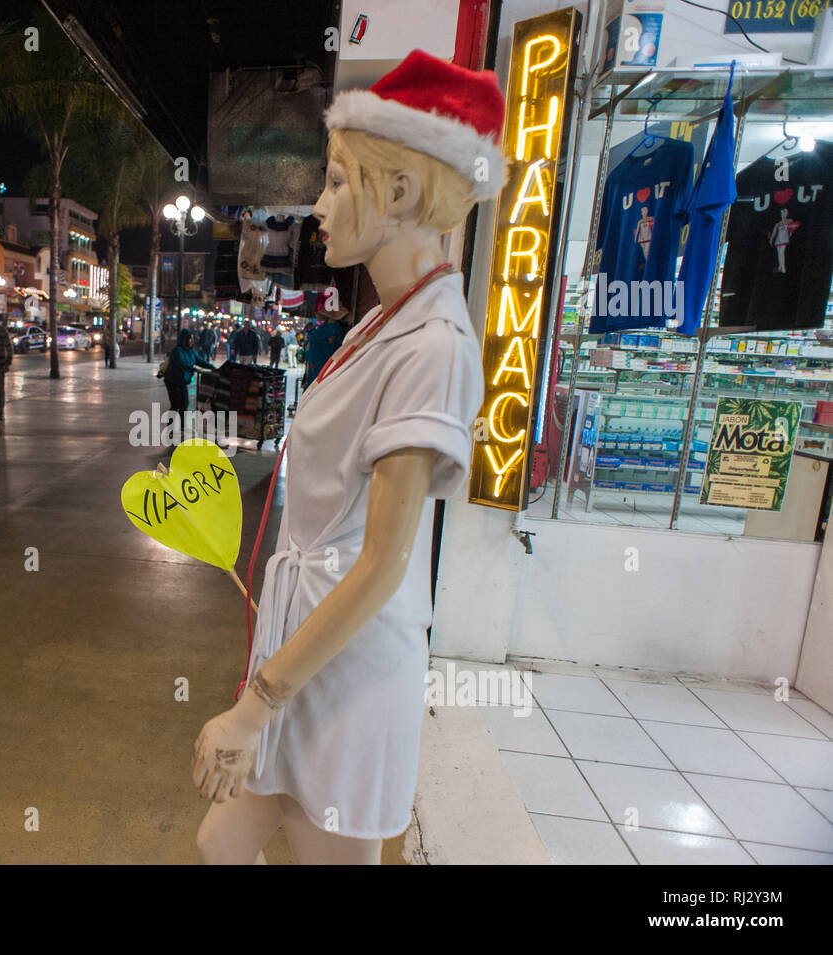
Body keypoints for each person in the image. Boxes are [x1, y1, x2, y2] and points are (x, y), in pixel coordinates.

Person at [191, 49, 503, 864]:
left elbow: (382, 565)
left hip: (349, 673)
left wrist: (256, 703)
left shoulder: (432, 344)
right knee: (221, 843)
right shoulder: (380, 320)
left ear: (398, 191)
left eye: (337, 180)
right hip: (302, 650)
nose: (320, 204)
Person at [160, 328, 216, 428]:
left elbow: (200, 361)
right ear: (184, 339)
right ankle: (170, 427)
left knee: (184, 404)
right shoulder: (177, 351)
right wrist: (194, 369)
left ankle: (182, 426)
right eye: (190, 339)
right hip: (173, 381)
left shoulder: (191, 352)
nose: (192, 341)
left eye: (193, 339)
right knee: (176, 404)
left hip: (182, 382)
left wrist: (213, 368)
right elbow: (182, 364)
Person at [302, 310, 347, 387]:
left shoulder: (334, 329)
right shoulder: (323, 327)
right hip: (316, 364)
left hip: (322, 365)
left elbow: (330, 349)